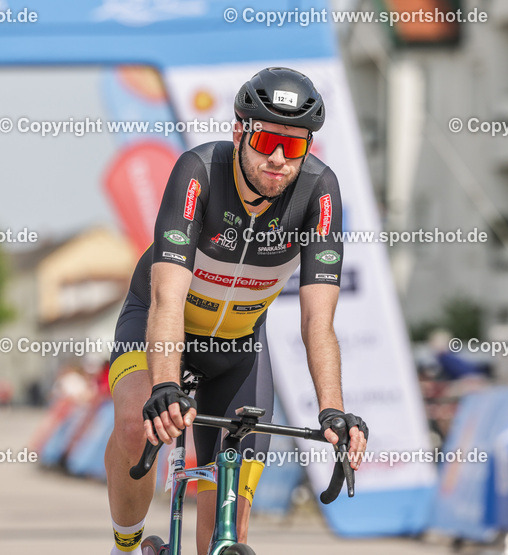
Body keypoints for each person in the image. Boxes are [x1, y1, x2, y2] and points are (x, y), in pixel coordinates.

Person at [103, 67, 369, 555]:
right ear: (239, 131)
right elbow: (167, 300)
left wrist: (331, 409)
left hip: (240, 347)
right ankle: (127, 544)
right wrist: (164, 385)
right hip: (160, 323)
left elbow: (318, 323)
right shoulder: (198, 172)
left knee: (228, 534)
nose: (276, 158)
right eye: (267, 139)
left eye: (293, 146)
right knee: (132, 427)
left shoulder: (319, 193)